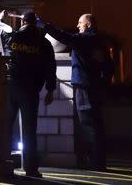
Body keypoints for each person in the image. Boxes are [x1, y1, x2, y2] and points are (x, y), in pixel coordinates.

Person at [0, 10, 56, 177]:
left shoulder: (12, 37)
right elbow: (50, 67)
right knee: (29, 130)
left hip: (10, 87)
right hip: (31, 89)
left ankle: (3, 163)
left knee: (6, 127)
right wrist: (50, 89)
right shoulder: (44, 43)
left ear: (22, 22)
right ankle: (31, 169)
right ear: (35, 23)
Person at [43, 14, 114, 170]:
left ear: (87, 25)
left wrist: (47, 27)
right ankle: (97, 160)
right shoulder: (98, 41)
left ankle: (96, 162)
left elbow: (66, 38)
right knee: (96, 123)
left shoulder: (86, 39)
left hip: (84, 86)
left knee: (88, 123)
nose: (77, 26)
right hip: (93, 86)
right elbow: (109, 65)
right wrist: (103, 82)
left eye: (80, 23)